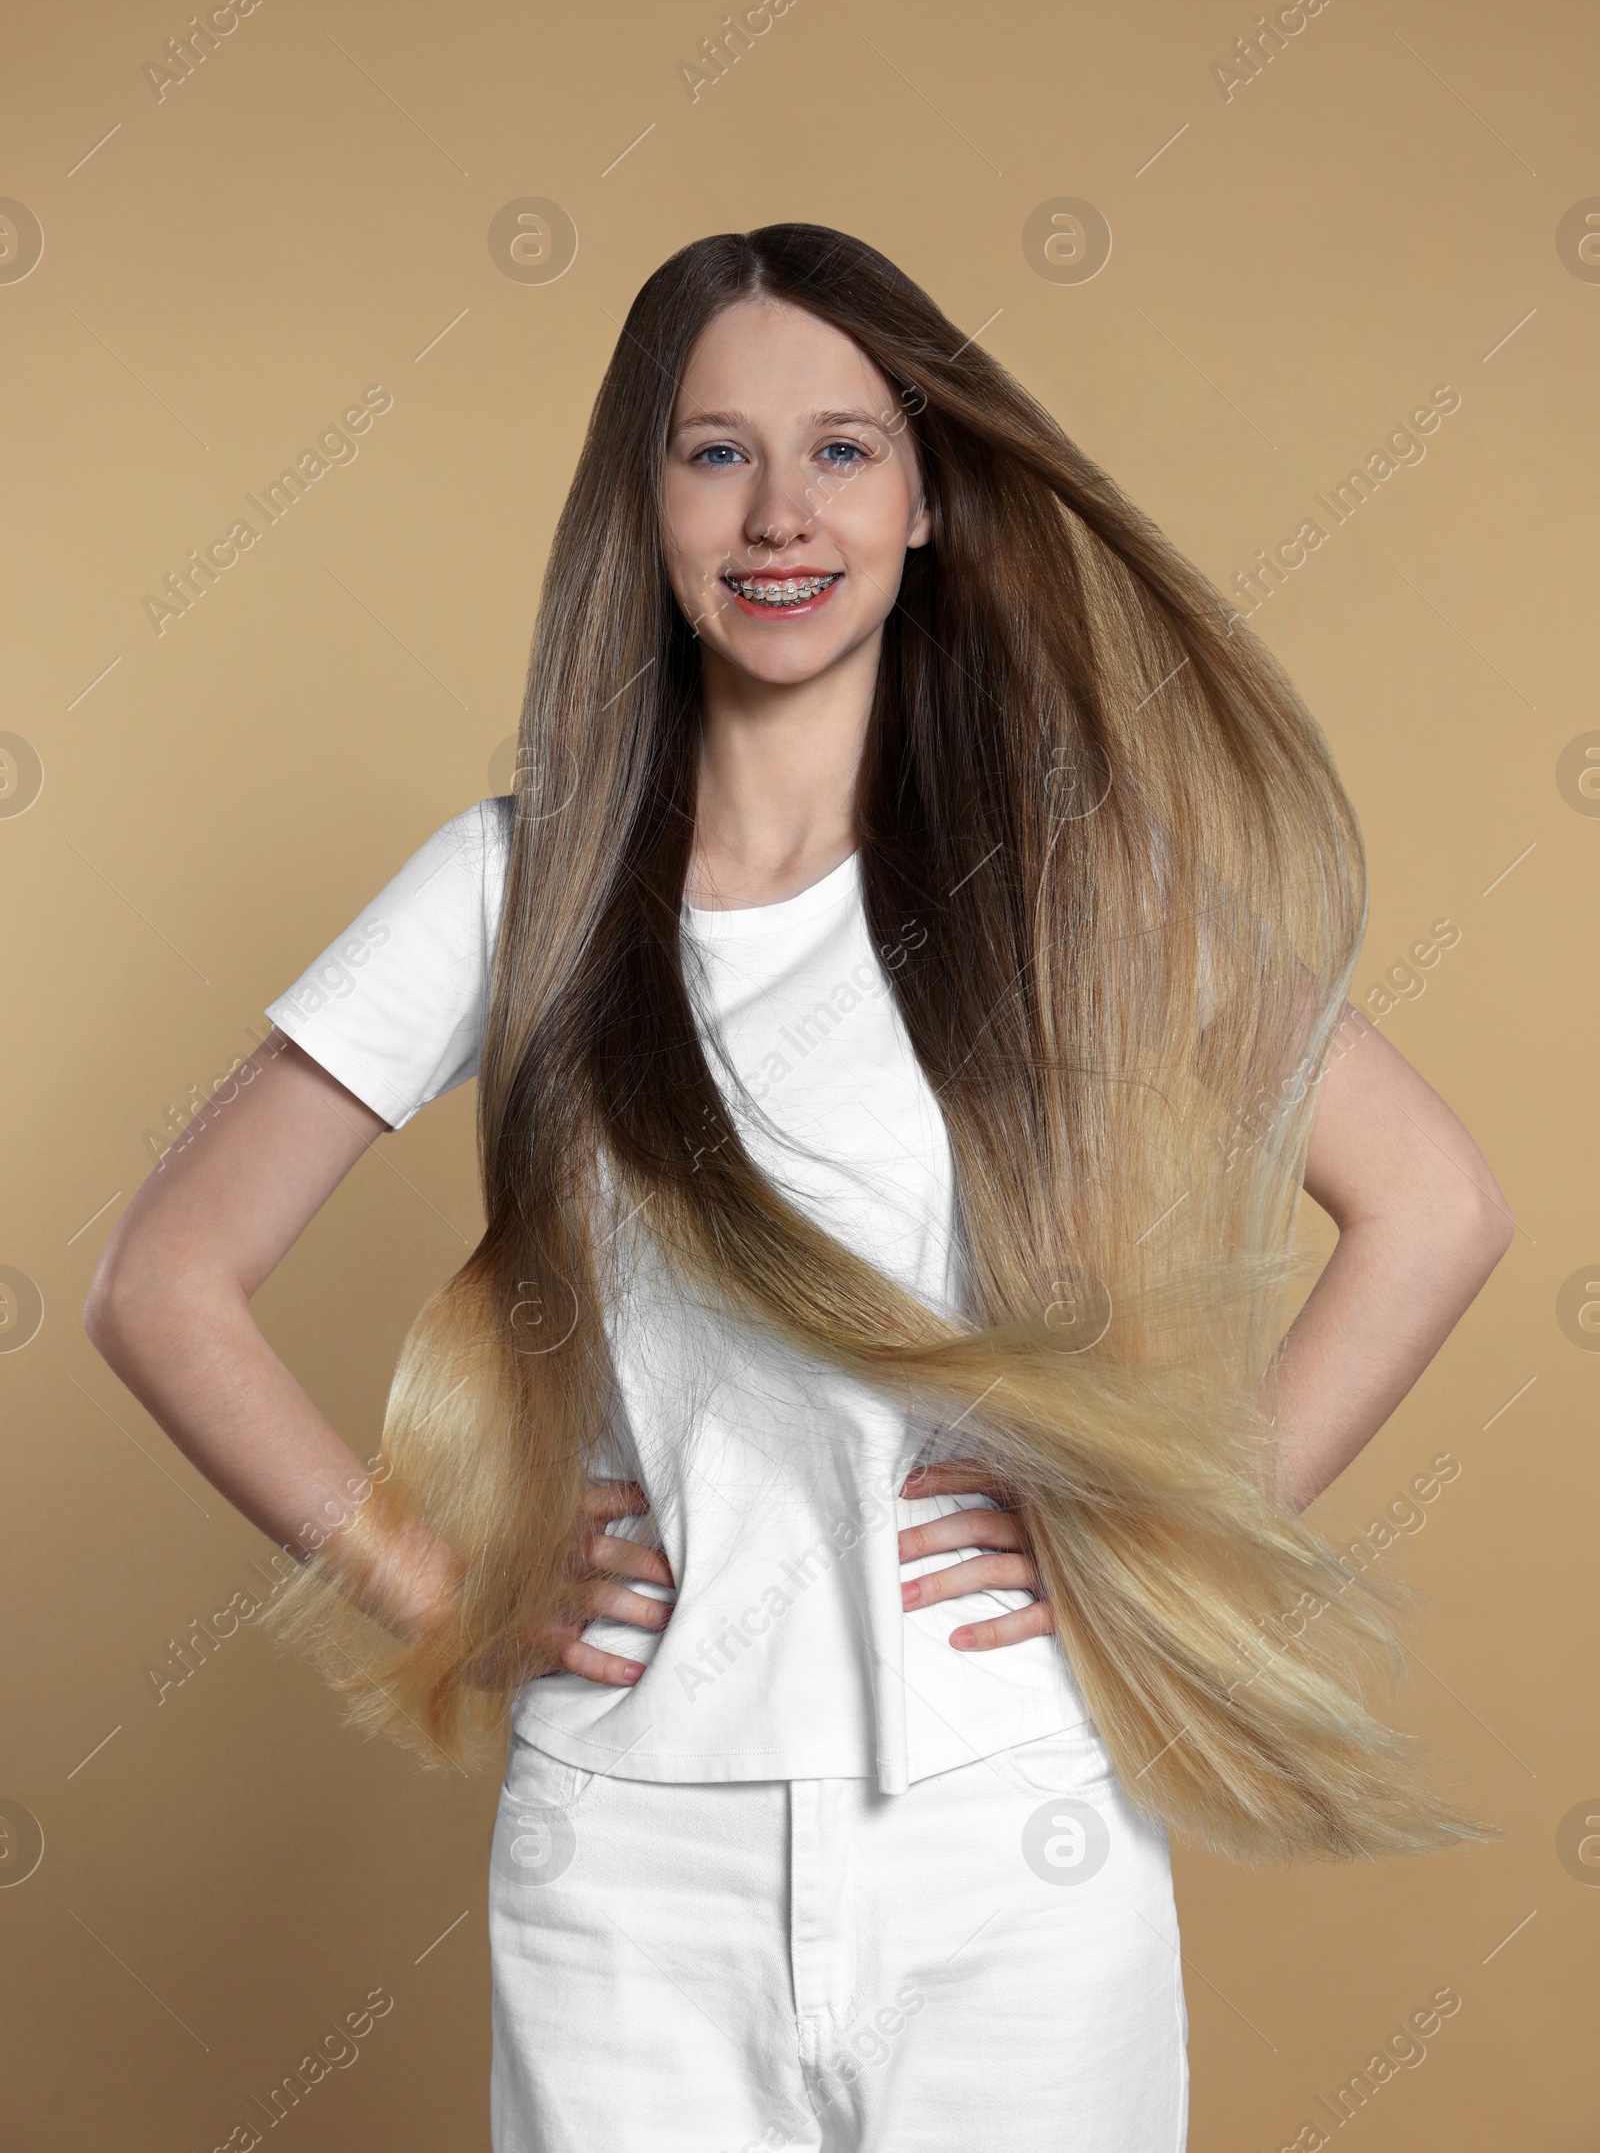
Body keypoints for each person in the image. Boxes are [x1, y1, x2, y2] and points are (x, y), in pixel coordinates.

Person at [83, 224, 1511, 2151]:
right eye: (713, 450)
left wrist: (1164, 1540)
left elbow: (1434, 1204)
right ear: (642, 499)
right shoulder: (517, 884)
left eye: (844, 448)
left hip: (1016, 1836)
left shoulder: (1065, 878)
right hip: (622, 1867)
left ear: (926, 498)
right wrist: (443, 1590)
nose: (781, 510)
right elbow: (164, 1281)